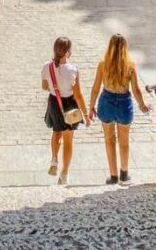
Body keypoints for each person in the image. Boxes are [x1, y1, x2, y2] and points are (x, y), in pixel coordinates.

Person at [88, 34, 150, 185]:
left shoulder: (103, 64)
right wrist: (142, 104)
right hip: (124, 103)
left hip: (106, 102)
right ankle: (124, 173)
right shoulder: (130, 65)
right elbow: (136, 89)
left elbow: (95, 88)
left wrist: (91, 107)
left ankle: (113, 176)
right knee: (124, 141)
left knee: (109, 140)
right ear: (124, 48)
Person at [41, 36, 89, 186]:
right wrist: (86, 114)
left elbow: (44, 87)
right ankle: (64, 174)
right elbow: (78, 95)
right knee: (68, 140)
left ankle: (54, 158)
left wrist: (54, 86)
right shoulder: (73, 70)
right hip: (69, 104)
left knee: (56, 132)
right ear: (68, 52)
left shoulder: (46, 67)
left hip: (55, 102)